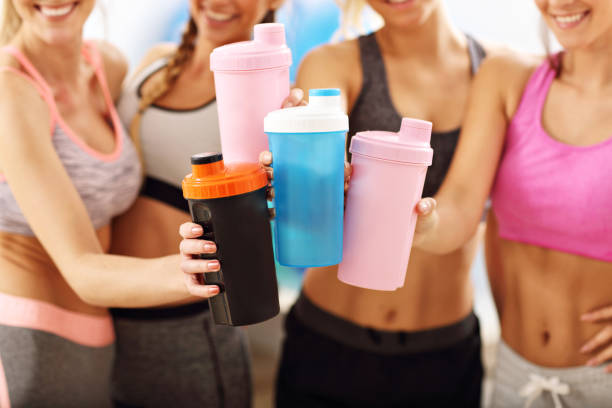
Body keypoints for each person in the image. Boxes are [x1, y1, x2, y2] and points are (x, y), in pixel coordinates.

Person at [183, 0, 489, 406]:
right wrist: (319, 172)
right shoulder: (333, 63)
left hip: (443, 356)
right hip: (329, 347)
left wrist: (416, 222)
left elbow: (465, 210)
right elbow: (319, 127)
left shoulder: (494, 74)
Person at [0, 0, 218, 406]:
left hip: (101, 335)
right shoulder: (10, 90)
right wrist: (191, 269)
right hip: (27, 334)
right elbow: (82, 271)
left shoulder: (108, 66)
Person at [413, 0, 612, 406]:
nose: (559, 4)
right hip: (514, 376)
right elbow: (460, 206)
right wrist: (416, 222)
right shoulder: (506, 78)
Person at [111, 0, 302, 406]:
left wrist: (294, 146)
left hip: (190, 322)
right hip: (114, 316)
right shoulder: (155, 61)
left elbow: (280, 197)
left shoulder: (268, 95)